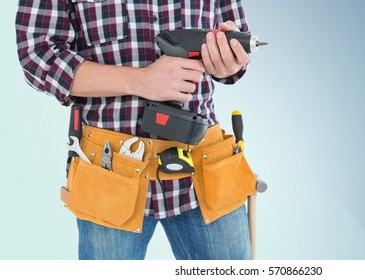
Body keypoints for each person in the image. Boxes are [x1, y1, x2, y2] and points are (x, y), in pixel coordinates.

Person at [16, 0, 252, 260]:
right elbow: (37, 55)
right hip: (111, 174)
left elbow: (235, 49)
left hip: (204, 166)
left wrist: (230, 60)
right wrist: (141, 81)